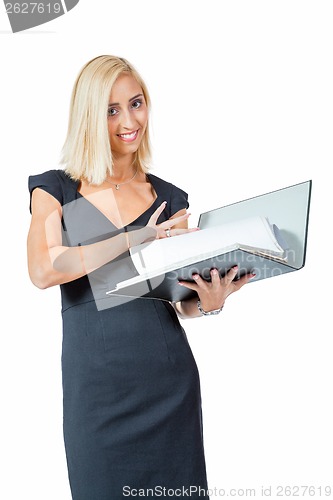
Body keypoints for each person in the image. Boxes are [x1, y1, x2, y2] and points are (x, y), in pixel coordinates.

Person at [27, 55, 253, 500]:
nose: (129, 120)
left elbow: (178, 299)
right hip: (97, 397)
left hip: (168, 386)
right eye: (111, 110)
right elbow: (45, 269)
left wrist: (211, 300)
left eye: (136, 103)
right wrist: (139, 238)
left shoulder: (169, 198)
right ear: (89, 115)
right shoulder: (55, 188)